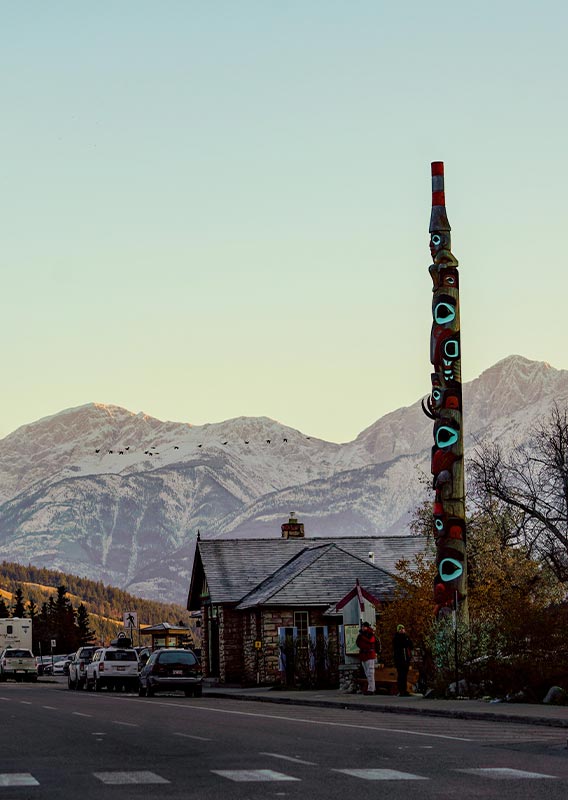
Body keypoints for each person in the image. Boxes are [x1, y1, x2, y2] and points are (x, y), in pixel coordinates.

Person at [356, 621, 377, 695]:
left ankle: (371, 689)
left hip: (369, 654)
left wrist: (362, 638)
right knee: (367, 673)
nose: (363, 628)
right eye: (362, 626)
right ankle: (371, 688)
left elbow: (371, 641)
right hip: (364, 655)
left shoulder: (370, 634)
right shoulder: (361, 635)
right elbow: (358, 643)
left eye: (364, 626)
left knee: (370, 672)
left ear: (367, 627)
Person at [392, 623, 413, 696]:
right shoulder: (397, 638)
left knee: (405, 675)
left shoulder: (406, 637)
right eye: (400, 629)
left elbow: (410, 645)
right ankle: (401, 690)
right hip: (400, 659)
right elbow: (402, 644)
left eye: (403, 629)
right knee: (401, 675)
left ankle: (404, 689)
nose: (402, 630)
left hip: (406, 659)